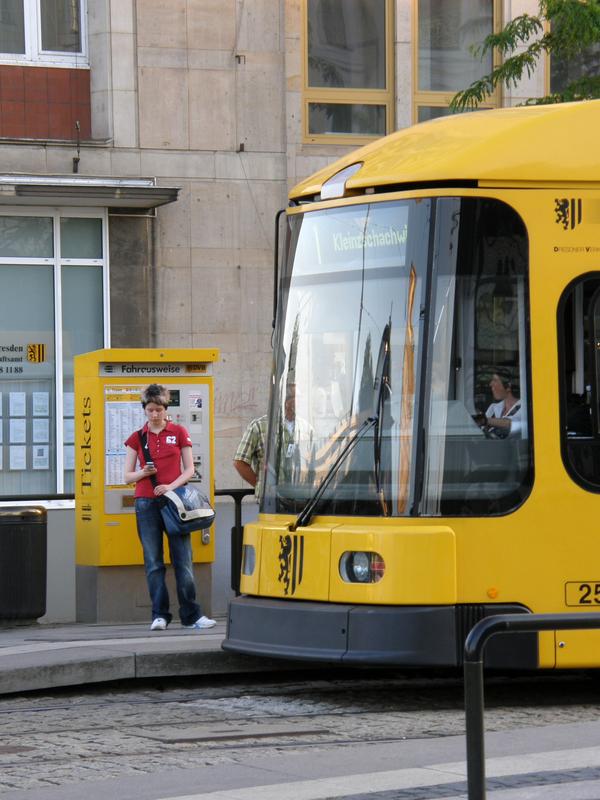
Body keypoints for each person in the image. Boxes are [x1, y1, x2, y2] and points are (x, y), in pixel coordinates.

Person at [123, 383, 216, 632]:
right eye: (150, 409)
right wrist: (144, 472)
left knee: (183, 559)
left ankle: (192, 615)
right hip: (145, 503)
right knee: (153, 561)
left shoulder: (179, 432)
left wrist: (169, 486)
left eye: (159, 409)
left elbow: (190, 469)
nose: (155, 414)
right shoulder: (137, 437)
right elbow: (126, 477)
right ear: (144, 409)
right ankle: (159, 615)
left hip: (175, 503)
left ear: (166, 408)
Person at [475, 368, 522, 438]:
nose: (491, 384)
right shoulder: (493, 407)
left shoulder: (523, 407)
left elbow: (512, 424)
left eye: (495, 381)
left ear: (508, 386)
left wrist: (483, 420)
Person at [233, 415, 268, 503]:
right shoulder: (259, 426)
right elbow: (240, 462)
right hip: (271, 501)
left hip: (302, 501)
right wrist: (261, 486)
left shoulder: (303, 425)